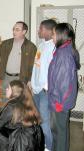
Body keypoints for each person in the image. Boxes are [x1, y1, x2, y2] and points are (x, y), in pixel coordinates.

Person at [0, 80, 44, 151]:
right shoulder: (28, 102)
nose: (6, 89)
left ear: (14, 92)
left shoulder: (11, 106)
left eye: (8, 88)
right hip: (30, 144)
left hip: (20, 145)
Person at [48, 23, 80, 151]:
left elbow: (64, 85)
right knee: (60, 131)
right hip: (59, 101)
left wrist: (58, 103)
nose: (52, 37)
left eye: (54, 34)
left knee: (59, 133)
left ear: (61, 36)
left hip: (59, 102)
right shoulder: (62, 50)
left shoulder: (63, 55)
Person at [30, 19, 57, 151]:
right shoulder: (41, 45)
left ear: (48, 30)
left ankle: (49, 148)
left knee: (45, 122)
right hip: (36, 89)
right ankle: (41, 144)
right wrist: (32, 83)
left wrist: (45, 87)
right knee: (37, 119)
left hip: (45, 91)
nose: (38, 31)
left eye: (40, 29)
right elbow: (36, 67)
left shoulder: (54, 47)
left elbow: (53, 71)